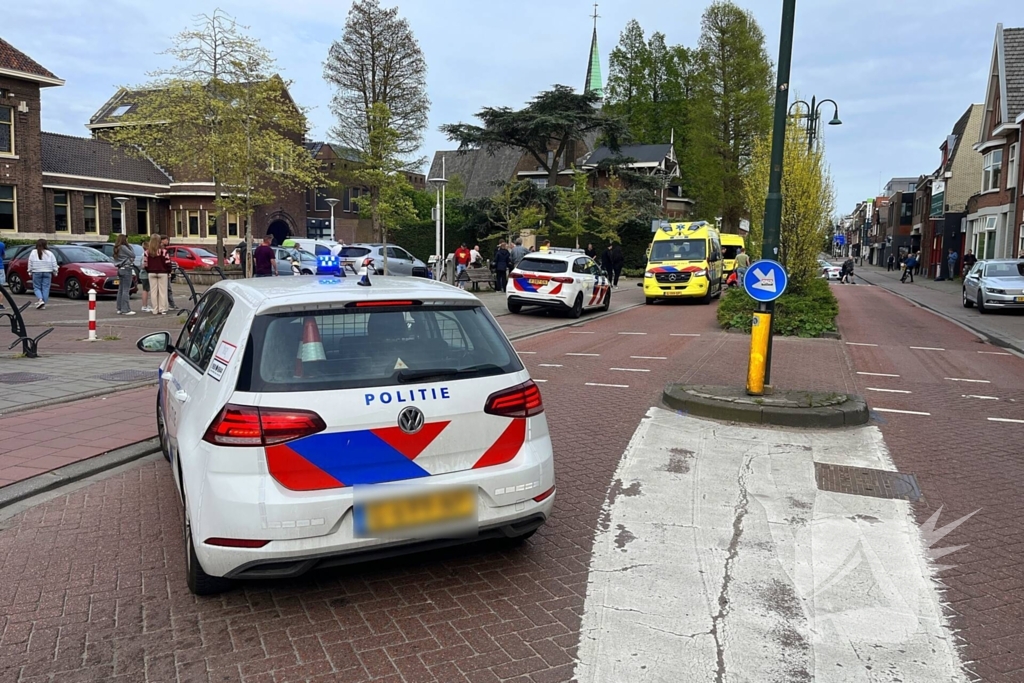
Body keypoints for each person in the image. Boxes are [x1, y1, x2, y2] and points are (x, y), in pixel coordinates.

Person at [144, 234, 172, 315]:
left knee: (153, 292)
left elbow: (145, 264)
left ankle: (155, 309)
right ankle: (162, 309)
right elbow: (168, 263)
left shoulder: (147, 252)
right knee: (162, 292)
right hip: (162, 272)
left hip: (151, 273)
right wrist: (169, 271)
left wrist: (149, 270)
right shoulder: (163, 251)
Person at [27, 239, 58, 310]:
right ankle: (43, 303)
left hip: (36, 272)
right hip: (47, 272)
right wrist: (55, 271)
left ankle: (40, 300)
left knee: (37, 287)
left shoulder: (33, 252)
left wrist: (29, 271)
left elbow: (30, 262)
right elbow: (54, 263)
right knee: (46, 288)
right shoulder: (50, 253)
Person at [113, 234, 136, 315]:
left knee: (121, 289)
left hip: (120, 269)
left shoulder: (116, 248)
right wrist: (130, 247)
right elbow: (133, 255)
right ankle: (125, 309)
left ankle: (119, 308)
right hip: (127, 269)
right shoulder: (123, 247)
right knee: (126, 290)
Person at [159, 236, 177, 310]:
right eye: (166, 240)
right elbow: (166, 262)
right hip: (164, 272)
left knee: (166, 289)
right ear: (162, 240)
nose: (168, 241)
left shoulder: (164, 249)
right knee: (167, 289)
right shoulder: (163, 250)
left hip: (162, 271)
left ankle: (168, 304)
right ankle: (170, 305)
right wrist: (169, 271)